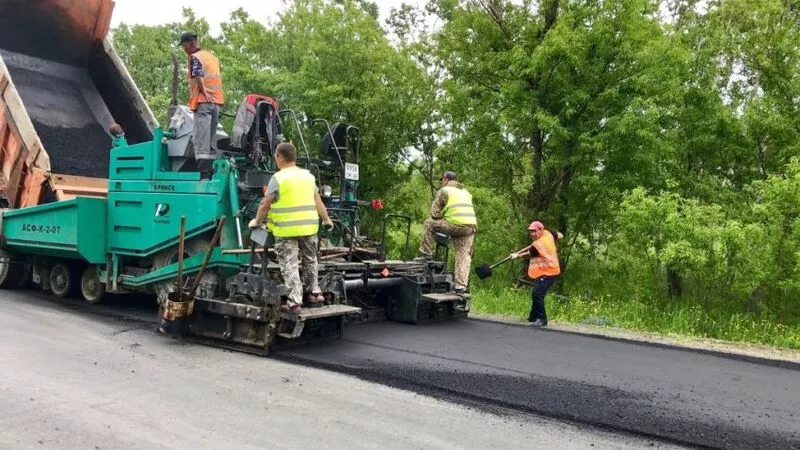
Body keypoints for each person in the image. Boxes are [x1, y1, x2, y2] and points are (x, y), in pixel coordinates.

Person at [248, 142, 334, 313]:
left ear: (280, 157)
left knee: (290, 264)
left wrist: (256, 222)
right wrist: (326, 219)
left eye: (276, 158)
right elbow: (318, 200)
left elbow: (265, 203)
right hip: (309, 228)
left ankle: (294, 301)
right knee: (311, 260)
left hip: (286, 231)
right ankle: (315, 293)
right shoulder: (308, 177)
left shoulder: (278, 178)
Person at [416, 171, 477, 295]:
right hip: (470, 227)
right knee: (463, 255)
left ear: (445, 180)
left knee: (429, 223)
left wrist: (443, 218)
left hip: (455, 224)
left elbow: (434, 213)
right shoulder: (466, 192)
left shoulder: (445, 190)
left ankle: (426, 253)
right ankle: (461, 287)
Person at [178, 31, 224, 179]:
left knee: (200, 139)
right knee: (210, 138)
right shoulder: (212, 57)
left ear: (190, 44)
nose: (184, 50)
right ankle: (210, 172)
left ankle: (204, 174)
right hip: (216, 103)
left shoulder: (195, 57)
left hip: (204, 102)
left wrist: (203, 91)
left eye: (184, 46)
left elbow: (198, 74)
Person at [510, 221, 562, 326]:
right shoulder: (549, 234)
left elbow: (530, 254)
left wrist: (517, 255)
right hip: (545, 271)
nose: (532, 234)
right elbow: (560, 235)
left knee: (537, 293)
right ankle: (533, 317)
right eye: (530, 231)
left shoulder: (539, 244)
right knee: (536, 292)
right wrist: (553, 238)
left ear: (540, 230)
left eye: (534, 231)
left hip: (550, 272)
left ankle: (542, 319)